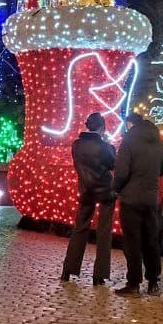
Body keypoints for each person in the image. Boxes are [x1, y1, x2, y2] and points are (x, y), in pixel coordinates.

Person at [112, 112, 163, 297]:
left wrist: (116, 189)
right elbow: (162, 170)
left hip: (131, 198)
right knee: (151, 240)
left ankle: (134, 284)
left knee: (132, 242)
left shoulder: (128, 141)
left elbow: (121, 173)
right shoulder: (159, 142)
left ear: (129, 124)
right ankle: (153, 283)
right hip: (151, 199)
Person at [61, 113, 116, 287]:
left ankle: (68, 269)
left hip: (86, 189)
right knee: (104, 231)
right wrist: (110, 146)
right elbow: (113, 163)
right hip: (106, 191)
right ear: (102, 127)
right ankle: (99, 275)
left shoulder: (76, 145)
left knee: (80, 228)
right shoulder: (104, 146)